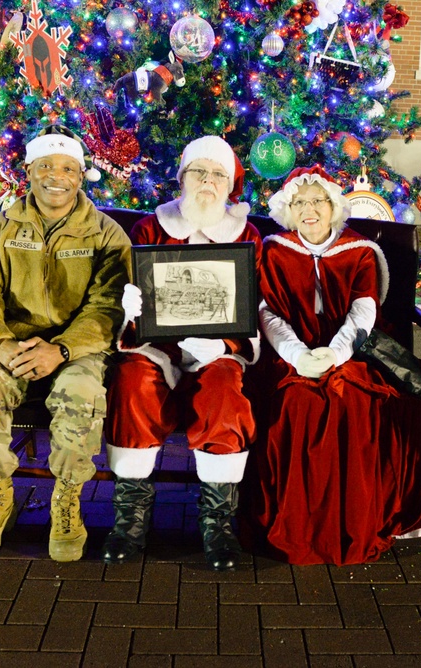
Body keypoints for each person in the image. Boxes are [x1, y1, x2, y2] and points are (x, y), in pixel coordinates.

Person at [246, 166, 421, 566]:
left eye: (317, 201)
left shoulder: (360, 250)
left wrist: (335, 353)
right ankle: (300, 528)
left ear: (333, 206)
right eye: (300, 202)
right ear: (288, 209)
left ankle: (351, 523)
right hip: (287, 357)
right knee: (297, 405)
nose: (309, 210)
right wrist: (297, 355)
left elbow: (363, 311)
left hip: (352, 352)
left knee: (353, 402)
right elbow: (268, 314)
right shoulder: (274, 250)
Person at [0, 126, 131, 562]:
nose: (57, 175)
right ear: (28, 170)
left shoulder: (106, 235)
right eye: (46, 165)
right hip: (9, 347)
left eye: (68, 167)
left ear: (81, 175)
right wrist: (0, 344)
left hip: (76, 352)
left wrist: (62, 350)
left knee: (82, 396)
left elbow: (110, 305)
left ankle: (67, 501)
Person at [101, 136, 262, 571]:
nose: (207, 182)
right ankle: (130, 520)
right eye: (198, 172)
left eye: (217, 175)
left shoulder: (247, 235)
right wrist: (128, 308)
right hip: (158, 346)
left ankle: (217, 523)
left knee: (225, 388)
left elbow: (254, 307)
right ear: (182, 177)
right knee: (132, 379)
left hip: (216, 348)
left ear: (230, 185)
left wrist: (226, 344)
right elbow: (131, 295)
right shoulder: (150, 228)